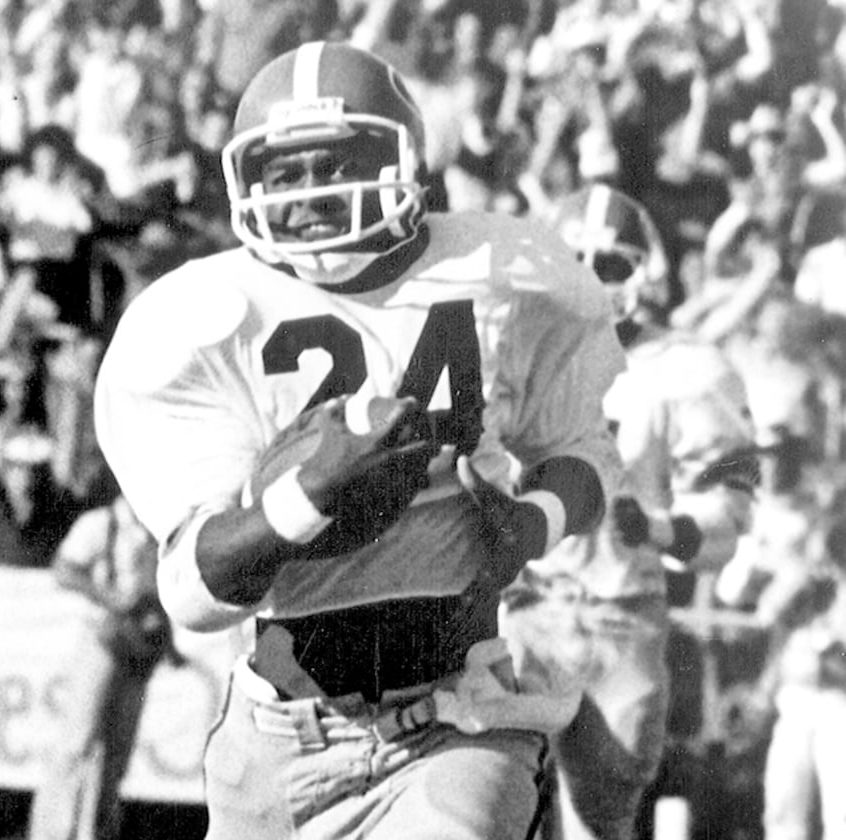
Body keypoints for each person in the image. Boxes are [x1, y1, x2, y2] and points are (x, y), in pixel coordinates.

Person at [94, 42, 626, 840]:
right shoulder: (205, 317)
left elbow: (585, 450)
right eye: (284, 171)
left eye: (336, 161)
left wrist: (534, 523)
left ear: (403, 160)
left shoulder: (502, 269)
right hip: (282, 733)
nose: (311, 193)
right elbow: (193, 594)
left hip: (461, 712)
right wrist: (304, 502)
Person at [500, 184, 758, 840]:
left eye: (609, 263)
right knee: (503, 811)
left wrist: (662, 527)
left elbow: (731, 498)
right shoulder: (508, 349)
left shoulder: (686, 367)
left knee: (600, 824)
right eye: (575, 256)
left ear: (647, 274)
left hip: (622, 618)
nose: (589, 276)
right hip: (527, 614)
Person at [27, 493, 176, 840]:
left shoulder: (159, 527)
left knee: (119, 750)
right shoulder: (100, 523)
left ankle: (99, 831)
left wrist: (168, 644)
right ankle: (52, 833)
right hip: (101, 639)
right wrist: (109, 597)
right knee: (77, 741)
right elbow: (63, 569)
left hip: (140, 646)